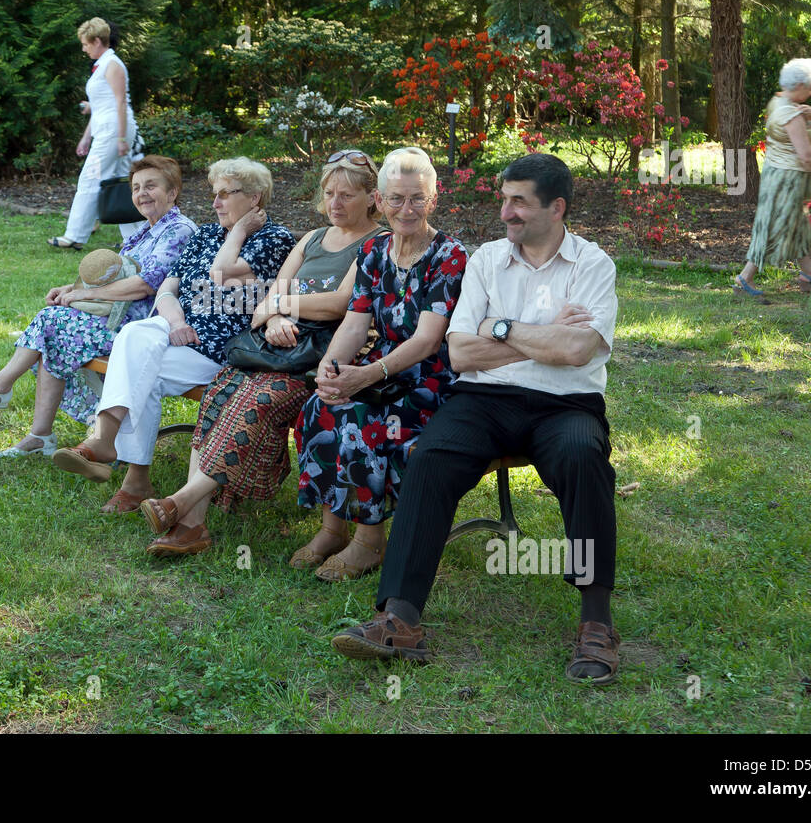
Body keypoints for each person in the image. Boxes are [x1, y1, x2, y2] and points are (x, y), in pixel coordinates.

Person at [330, 152, 624, 685]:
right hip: (482, 400)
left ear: (556, 208)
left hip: (567, 404)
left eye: (519, 202)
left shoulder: (593, 265)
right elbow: (461, 354)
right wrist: (540, 334)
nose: (506, 212)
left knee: (584, 459)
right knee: (431, 458)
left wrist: (502, 327)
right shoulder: (487, 259)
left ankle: (596, 621)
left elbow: (579, 349)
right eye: (504, 199)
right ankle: (400, 617)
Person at [140, 149, 385, 556]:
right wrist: (272, 319)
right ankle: (191, 525)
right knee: (221, 392)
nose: (335, 204)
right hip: (275, 344)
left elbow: (340, 304)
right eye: (329, 194)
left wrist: (281, 307)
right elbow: (266, 301)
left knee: (259, 399)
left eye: (347, 195)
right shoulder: (311, 239)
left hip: (323, 356)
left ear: (371, 197)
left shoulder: (376, 243)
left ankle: (182, 504)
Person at [50, 157, 294, 528]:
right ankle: (114, 453)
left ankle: (127, 470)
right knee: (134, 338)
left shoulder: (275, 239)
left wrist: (240, 230)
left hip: (220, 348)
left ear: (256, 198)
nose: (215, 203)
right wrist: (176, 321)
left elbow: (222, 272)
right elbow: (167, 288)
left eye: (225, 194)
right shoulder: (207, 234)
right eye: (215, 194)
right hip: (176, 333)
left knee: (137, 368)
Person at [293, 147, 469, 582]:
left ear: (433, 198)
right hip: (377, 364)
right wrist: (330, 371)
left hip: (429, 376)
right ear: (380, 200)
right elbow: (354, 325)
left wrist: (366, 376)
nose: (405, 209)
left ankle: (370, 541)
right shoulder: (373, 249)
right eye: (395, 199)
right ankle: (332, 528)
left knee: (359, 416)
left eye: (416, 198)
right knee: (319, 406)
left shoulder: (450, 255)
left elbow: (428, 339)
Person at [0, 156, 195, 457]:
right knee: (53, 328)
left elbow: (145, 285)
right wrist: (71, 289)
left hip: (142, 327)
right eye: (136, 187)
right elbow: (111, 277)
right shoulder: (143, 232)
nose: (142, 193)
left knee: (52, 326)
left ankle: (2, 392)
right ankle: (35, 432)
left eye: (151, 186)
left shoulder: (178, 230)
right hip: (117, 317)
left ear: (172, 192)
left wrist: (85, 297)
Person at [734, 57, 811, 295]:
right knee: (772, 226)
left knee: (798, 226)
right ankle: (744, 278)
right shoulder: (791, 114)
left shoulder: (778, 102)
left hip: (776, 173)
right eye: (810, 88)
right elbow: (807, 156)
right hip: (787, 179)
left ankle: (808, 276)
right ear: (798, 85)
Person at [50, 17, 139, 250]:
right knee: (124, 184)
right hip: (106, 129)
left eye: (86, 44)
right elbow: (102, 104)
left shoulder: (113, 65)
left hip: (114, 130)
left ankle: (75, 236)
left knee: (90, 178)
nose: (83, 48)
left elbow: (120, 102)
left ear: (98, 41)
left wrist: (121, 138)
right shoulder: (103, 65)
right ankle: (138, 238)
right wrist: (86, 136)